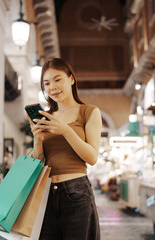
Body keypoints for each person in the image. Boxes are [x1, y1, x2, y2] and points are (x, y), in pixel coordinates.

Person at [27, 58, 102, 240]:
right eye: (47, 83)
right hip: (46, 194)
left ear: (71, 79)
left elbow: (92, 157)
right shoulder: (46, 117)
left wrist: (66, 131)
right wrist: (38, 140)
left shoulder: (89, 112)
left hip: (76, 192)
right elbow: (37, 163)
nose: (52, 87)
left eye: (58, 79)